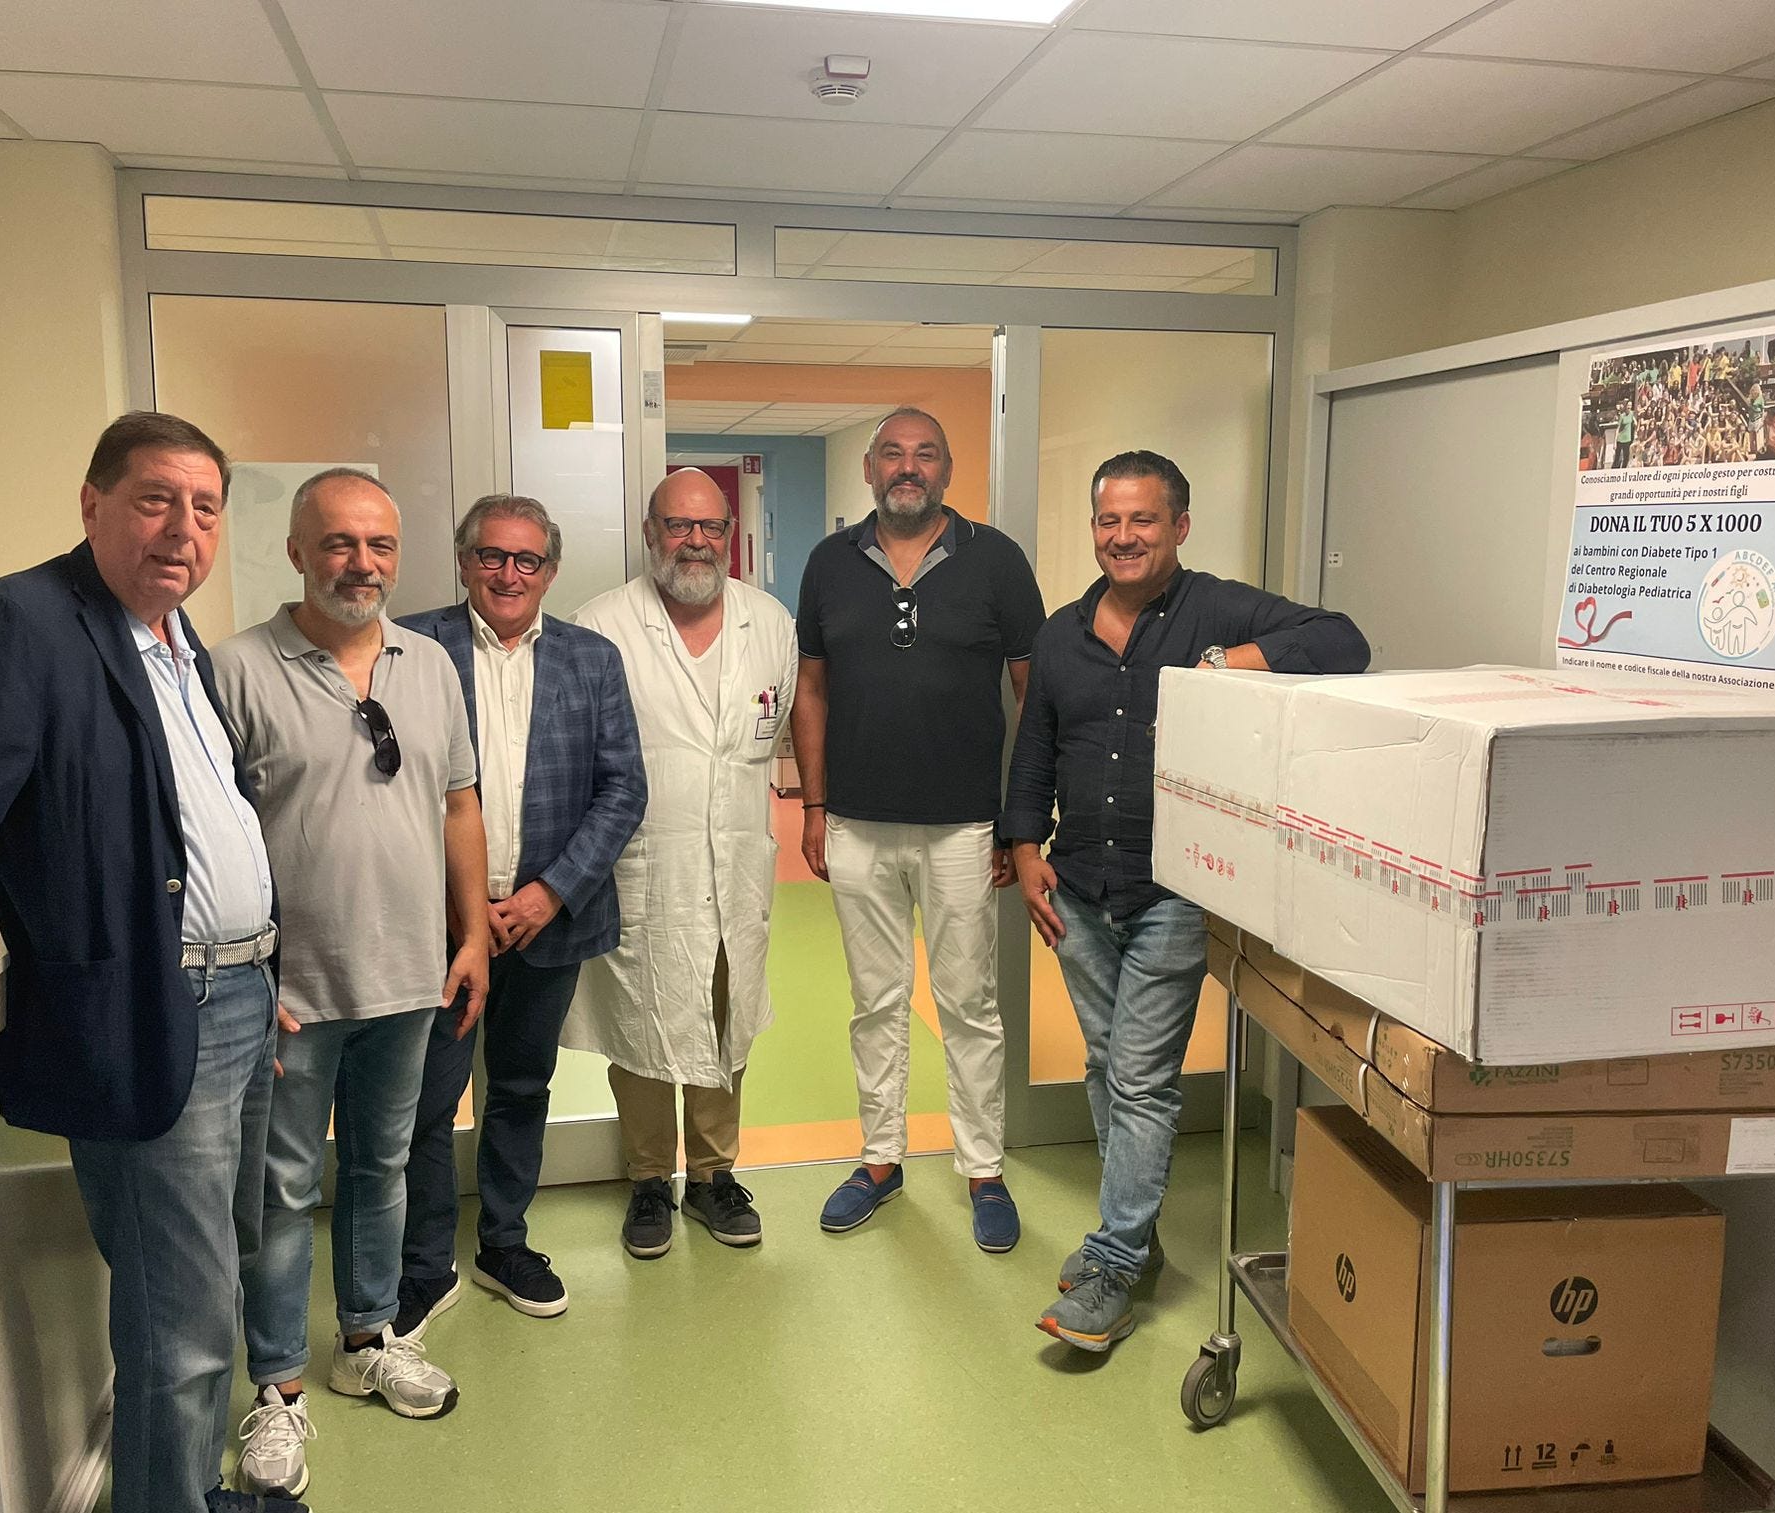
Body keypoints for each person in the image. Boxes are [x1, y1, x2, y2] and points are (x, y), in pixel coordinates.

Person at [0, 413, 309, 1513]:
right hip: (154, 1012)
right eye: (156, 499)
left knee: (217, 1273)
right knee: (179, 1314)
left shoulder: (177, 643)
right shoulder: (24, 623)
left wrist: (262, 975)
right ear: (92, 504)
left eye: (205, 509)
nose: (183, 529)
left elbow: (199, 826)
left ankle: (184, 1497)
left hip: (240, 998)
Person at [1004, 449, 1369, 1353]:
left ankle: (1113, 1265)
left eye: (1143, 520)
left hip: (1173, 889)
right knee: (1105, 1068)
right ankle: (1136, 1238)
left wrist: (1230, 663)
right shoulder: (1061, 635)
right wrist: (1024, 847)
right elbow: (1036, 748)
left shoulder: (1217, 610)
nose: (1123, 537)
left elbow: (1343, 642)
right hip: (1077, 887)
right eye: (1109, 520)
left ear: (1179, 526)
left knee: (1139, 1078)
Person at [211, 468, 490, 1499]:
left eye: (378, 544)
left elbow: (458, 803)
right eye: (337, 542)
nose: (360, 563)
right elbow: (209, 833)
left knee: (382, 1165)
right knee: (281, 1190)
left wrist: (473, 936)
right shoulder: (237, 670)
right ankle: (277, 1386)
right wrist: (253, 976)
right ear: (296, 552)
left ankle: (366, 1340)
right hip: (288, 989)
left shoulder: (429, 665)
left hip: (409, 975)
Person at [791, 407, 1046, 1252]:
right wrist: (815, 808)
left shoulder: (996, 560)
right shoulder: (829, 562)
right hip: (857, 823)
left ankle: (983, 1169)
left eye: (925, 454)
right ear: (869, 468)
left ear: (947, 469)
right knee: (876, 1002)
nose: (908, 467)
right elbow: (811, 689)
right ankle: (880, 1160)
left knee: (969, 1003)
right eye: (893, 454)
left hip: (964, 826)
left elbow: (1033, 695)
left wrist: (1019, 823)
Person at [393, 495, 646, 1329]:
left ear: (550, 570)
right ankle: (425, 1265)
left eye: (526, 559)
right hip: (437, 927)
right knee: (426, 1102)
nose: (508, 573)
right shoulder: (409, 648)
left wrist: (552, 891)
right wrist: (461, 905)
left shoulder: (591, 660)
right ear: (464, 561)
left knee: (522, 1087)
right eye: (491, 556)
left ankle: (503, 1242)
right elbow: (386, 790)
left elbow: (623, 788)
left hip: (547, 922)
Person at [567, 469, 798, 1257]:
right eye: (678, 525)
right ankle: (646, 1179)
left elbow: (775, 726)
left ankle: (712, 1175)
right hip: (641, 865)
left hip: (736, 860)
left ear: (729, 534)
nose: (695, 541)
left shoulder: (770, 622)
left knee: (725, 1015)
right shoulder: (601, 625)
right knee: (641, 1019)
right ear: (649, 533)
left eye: (710, 527)